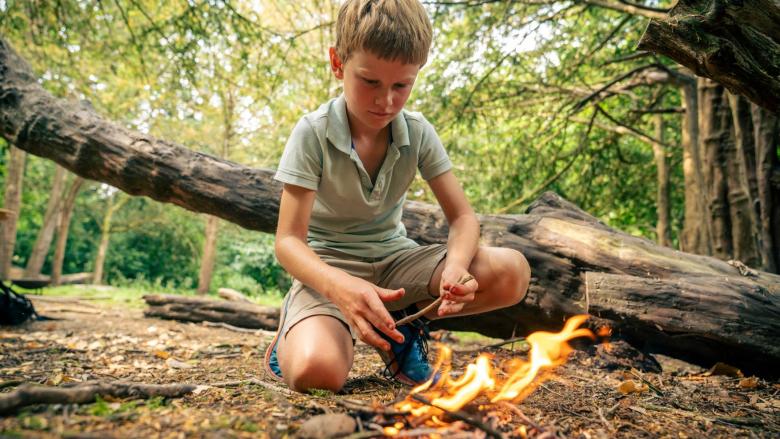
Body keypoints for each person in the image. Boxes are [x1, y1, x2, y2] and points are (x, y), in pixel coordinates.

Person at [264, 0, 530, 393]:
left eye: (401, 85)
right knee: (316, 375)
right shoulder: (312, 133)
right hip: (329, 271)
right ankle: (299, 326)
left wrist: (456, 268)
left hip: (396, 264)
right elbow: (288, 242)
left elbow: (463, 219)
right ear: (338, 64)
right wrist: (340, 287)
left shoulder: (418, 132)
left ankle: (401, 327)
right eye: (370, 82)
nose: (386, 101)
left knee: (512, 272)